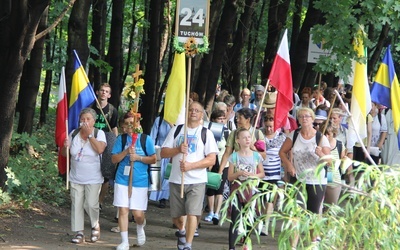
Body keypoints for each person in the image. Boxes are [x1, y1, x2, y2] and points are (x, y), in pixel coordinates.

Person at [161, 101, 219, 250]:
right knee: (177, 217)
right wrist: (178, 149)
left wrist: (191, 166)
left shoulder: (206, 133)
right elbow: (163, 152)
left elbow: (211, 159)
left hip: (197, 180)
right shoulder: (177, 130)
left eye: (197, 110)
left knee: (193, 213)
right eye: (191, 110)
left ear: (201, 115)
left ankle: (188, 244)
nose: (193, 112)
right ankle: (181, 231)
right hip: (177, 179)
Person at [279, 107, 330, 247]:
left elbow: (331, 161)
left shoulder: (321, 137)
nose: (304, 118)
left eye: (307, 116)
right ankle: (293, 246)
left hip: (316, 180)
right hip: (298, 179)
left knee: (313, 214)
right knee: (295, 214)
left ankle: (313, 243)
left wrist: (321, 155)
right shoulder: (294, 135)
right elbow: (282, 152)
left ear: (312, 119)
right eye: (301, 116)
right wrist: (289, 165)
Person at [112, 111, 157, 250]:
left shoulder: (145, 139)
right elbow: (114, 159)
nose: (129, 126)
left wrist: (139, 158)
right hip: (122, 179)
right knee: (123, 210)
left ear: (138, 124)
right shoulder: (121, 139)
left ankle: (140, 225)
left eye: (132, 123)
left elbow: (154, 158)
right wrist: (126, 152)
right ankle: (124, 241)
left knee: (137, 214)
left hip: (140, 180)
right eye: (127, 124)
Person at [61, 108, 107, 244]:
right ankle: (79, 232)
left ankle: (95, 225)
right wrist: (65, 146)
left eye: (88, 119)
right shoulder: (74, 133)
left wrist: (90, 136)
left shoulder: (99, 133)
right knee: (77, 204)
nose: (85, 122)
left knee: (91, 204)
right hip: (75, 177)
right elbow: (65, 154)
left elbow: (100, 149)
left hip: (93, 177)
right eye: (82, 119)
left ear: (93, 121)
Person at [227, 128, 265, 250]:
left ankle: (246, 244)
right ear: (238, 141)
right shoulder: (234, 156)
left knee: (249, 218)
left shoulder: (256, 156)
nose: (247, 139)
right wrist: (239, 173)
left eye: (249, 137)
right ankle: (231, 247)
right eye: (244, 137)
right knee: (235, 218)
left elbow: (262, 174)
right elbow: (229, 176)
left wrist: (253, 175)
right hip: (237, 189)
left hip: (251, 189)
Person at [91, 83, 119, 210]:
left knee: (106, 173)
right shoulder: (91, 107)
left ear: (109, 95)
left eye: (106, 91)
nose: (103, 93)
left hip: (107, 139)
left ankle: (100, 201)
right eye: (102, 90)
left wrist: (117, 144)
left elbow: (114, 128)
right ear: (97, 92)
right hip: (92, 138)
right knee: (92, 169)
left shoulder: (112, 110)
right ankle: (90, 199)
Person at [259, 114, 286, 236]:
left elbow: (285, 154)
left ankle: (266, 223)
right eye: (267, 125)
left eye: (271, 126)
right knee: (260, 200)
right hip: (259, 173)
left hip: (274, 174)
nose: (269, 128)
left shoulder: (282, 137)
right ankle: (259, 220)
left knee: (270, 200)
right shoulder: (258, 134)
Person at [219, 108, 266, 172]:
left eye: (240, 118)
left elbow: (264, 156)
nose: (237, 120)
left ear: (248, 120)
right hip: (237, 172)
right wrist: (220, 171)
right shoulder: (234, 133)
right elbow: (227, 154)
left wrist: (254, 149)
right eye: (237, 118)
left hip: (253, 173)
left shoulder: (257, 133)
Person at [204, 110, 229, 225]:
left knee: (220, 187)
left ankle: (217, 213)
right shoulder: (208, 132)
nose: (222, 120)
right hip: (210, 161)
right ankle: (210, 211)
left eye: (223, 118)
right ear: (213, 120)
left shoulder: (227, 132)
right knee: (210, 188)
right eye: (219, 118)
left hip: (224, 163)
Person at [149, 108, 172, 208]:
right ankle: (155, 194)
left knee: (167, 174)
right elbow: (153, 136)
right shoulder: (159, 120)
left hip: (171, 150)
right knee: (158, 173)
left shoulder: (178, 123)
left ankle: (164, 197)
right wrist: (151, 150)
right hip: (159, 148)